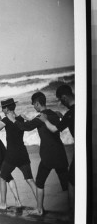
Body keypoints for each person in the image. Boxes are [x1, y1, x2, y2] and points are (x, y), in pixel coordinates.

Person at [8, 91, 69, 216]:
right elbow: (39, 123)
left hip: (48, 156)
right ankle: (72, 210)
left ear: (37, 103)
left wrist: (13, 120)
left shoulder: (40, 116)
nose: (33, 107)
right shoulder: (54, 114)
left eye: (33, 105)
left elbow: (26, 127)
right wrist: (29, 119)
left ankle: (39, 209)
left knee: (40, 182)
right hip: (60, 154)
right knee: (66, 185)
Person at [0, 98, 37, 210]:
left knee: (2, 177)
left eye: (2, 108)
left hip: (12, 155)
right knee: (30, 179)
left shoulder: (6, 120)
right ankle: (39, 206)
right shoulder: (21, 118)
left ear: (6, 108)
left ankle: (3, 204)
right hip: (23, 153)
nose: (2, 110)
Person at [38, 85, 74, 216]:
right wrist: (60, 116)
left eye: (60, 99)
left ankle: (72, 212)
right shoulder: (73, 111)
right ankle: (74, 212)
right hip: (63, 155)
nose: (61, 102)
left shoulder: (70, 114)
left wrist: (45, 120)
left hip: (51, 156)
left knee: (70, 183)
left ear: (64, 97)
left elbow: (54, 129)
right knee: (69, 182)